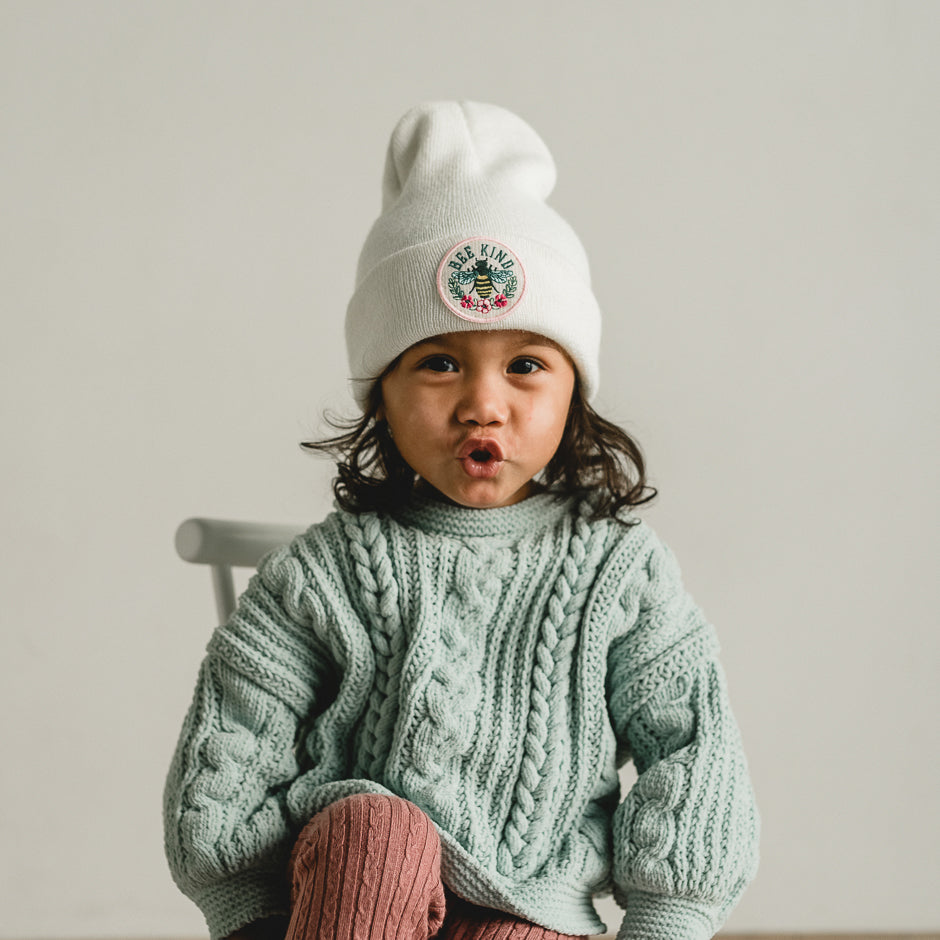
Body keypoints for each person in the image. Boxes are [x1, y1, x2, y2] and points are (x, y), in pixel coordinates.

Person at [163, 101, 759, 940]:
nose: (484, 403)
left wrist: (667, 914)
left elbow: (691, 744)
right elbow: (238, 727)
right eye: (439, 363)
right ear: (384, 395)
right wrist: (247, 905)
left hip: (533, 900)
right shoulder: (325, 572)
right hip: (349, 893)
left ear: (572, 395)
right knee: (374, 831)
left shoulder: (619, 571)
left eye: (525, 365)